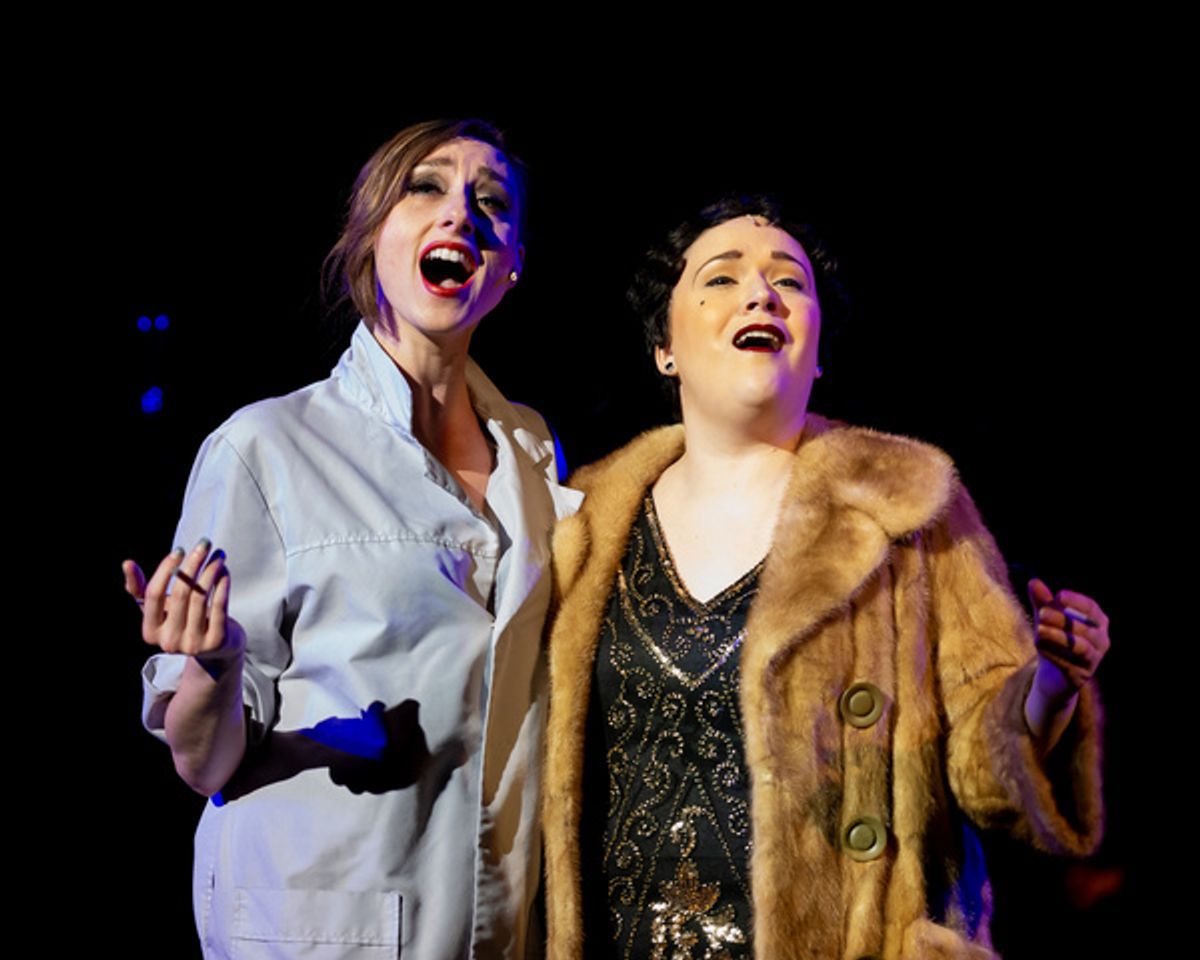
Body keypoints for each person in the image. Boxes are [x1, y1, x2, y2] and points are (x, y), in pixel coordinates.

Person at [541, 196, 1109, 959]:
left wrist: (1050, 687)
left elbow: (988, 778)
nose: (761, 295)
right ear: (663, 347)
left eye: (789, 282)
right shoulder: (582, 521)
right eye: (722, 278)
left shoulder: (910, 506)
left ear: (817, 353)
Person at [124, 118, 580, 959]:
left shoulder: (537, 454)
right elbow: (204, 764)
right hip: (321, 932)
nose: (461, 213)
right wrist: (215, 667)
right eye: (426, 187)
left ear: (513, 265)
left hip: (497, 928)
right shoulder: (267, 447)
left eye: (491, 202)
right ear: (372, 234)